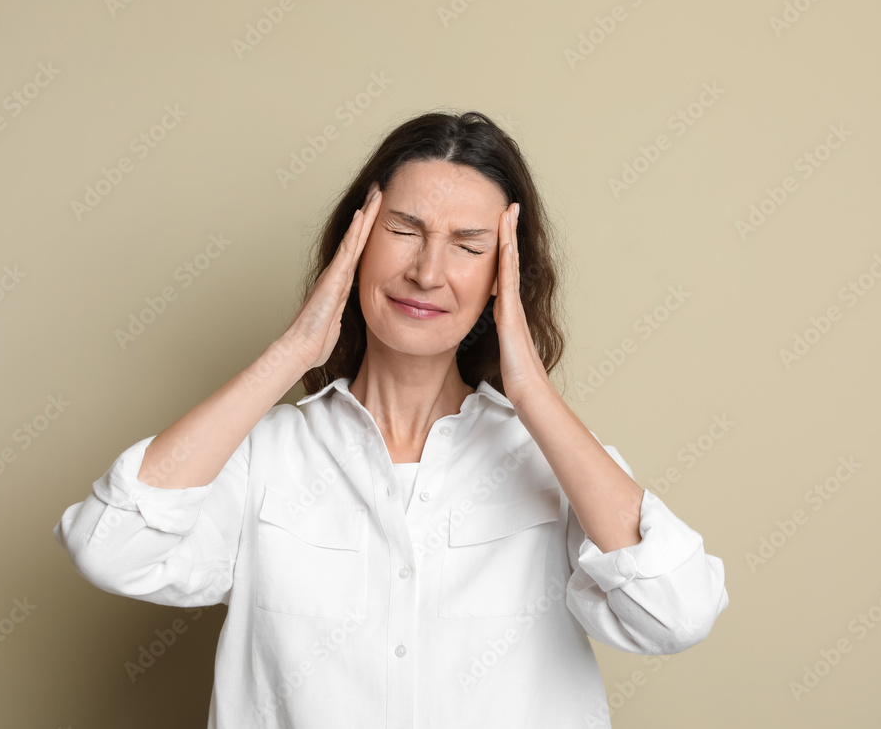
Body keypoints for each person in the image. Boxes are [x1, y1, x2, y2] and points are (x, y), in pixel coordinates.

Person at [54, 110, 728, 728]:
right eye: (404, 232)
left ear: (505, 275)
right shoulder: (265, 457)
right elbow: (110, 547)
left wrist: (531, 394)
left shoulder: (551, 462)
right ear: (355, 243)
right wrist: (292, 353)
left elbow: (676, 613)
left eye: (469, 246)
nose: (427, 272)